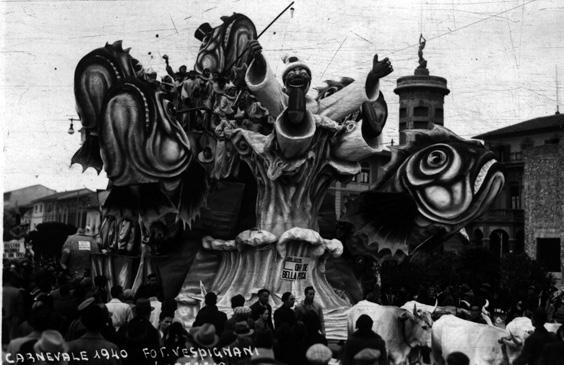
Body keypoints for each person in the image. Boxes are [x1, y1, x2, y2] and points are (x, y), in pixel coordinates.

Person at [118, 298, 160, 365]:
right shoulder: (152, 331)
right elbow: (154, 354)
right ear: (149, 313)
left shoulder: (125, 328)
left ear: (135, 312)